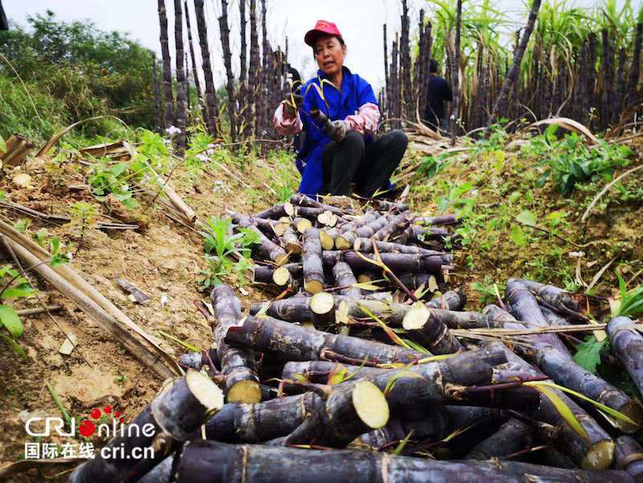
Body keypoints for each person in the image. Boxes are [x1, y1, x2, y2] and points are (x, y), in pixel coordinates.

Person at [273, 20, 408, 198]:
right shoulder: (310, 90)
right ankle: (338, 200)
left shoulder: (359, 85)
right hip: (325, 165)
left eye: (330, 46)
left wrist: (346, 125)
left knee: (398, 139)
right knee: (352, 139)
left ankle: (367, 196)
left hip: (360, 160)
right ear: (316, 58)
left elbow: (371, 117)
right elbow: (290, 127)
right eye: (319, 51)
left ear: (343, 50)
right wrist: (289, 110)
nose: (325, 54)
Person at [424, 59, 453, 133]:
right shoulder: (441, 81)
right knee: (443, 140)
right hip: (439, 117)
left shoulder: (420, 82)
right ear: (437, 69)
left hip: (423, 117)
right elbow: (449, 98)